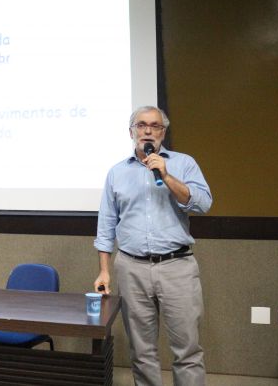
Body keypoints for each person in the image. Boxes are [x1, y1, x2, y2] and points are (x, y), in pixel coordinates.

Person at [93, 106, 212, 386]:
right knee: (142, 351)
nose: (148, 131)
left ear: (163, 132)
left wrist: (166, 176)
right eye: (141, 125)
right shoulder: (117, 172)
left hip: (177, 266)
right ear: (131, 132)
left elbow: (203, 204)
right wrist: (104, 271)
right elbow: (106, 224)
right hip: (131, 267)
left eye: (155, 126)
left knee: (187, 350)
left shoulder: (184, 163)